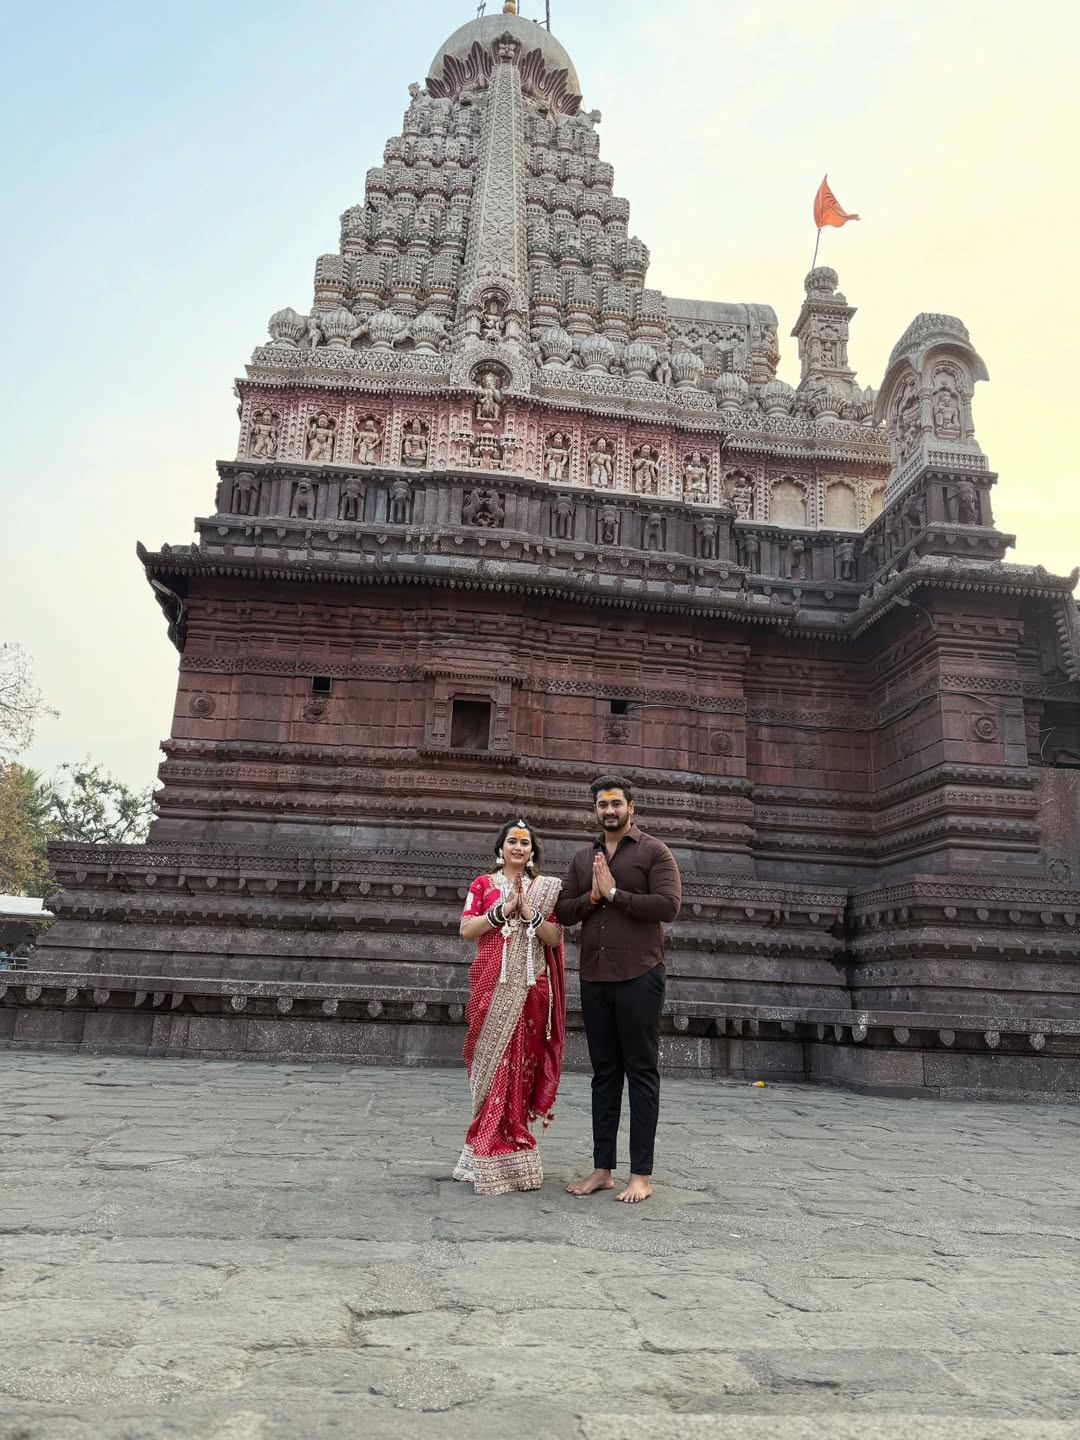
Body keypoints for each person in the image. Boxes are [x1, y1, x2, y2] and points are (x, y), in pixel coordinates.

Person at [556, 776, 681, 1204]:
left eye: (615, 804)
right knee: (604, 1075)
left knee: (641, 1073)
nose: (609, 810)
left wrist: (614, 893)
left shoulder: (654, 852)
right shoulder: (583, 858)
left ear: (632, 807)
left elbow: (668, 906)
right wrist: (592, 899)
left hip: (640, 975)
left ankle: (641, 1175)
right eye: (602, 805)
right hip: (595, 976)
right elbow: (563, 911)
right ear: (594, 810)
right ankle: (603, 1169)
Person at [454, 819, 566, 1196]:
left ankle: (515, 1139)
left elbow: (555, 937)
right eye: (512, 841)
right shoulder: (483, 885)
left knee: (522, 1066)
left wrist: (531, 914)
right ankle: (485, 1146)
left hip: (532, 989)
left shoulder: (545, 889)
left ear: (532, 851)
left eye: (524, 842)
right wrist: (502, 912)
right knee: (493, 1063)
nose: (518, 847)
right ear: (500, 848)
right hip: (492, 987)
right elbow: (466, 929)